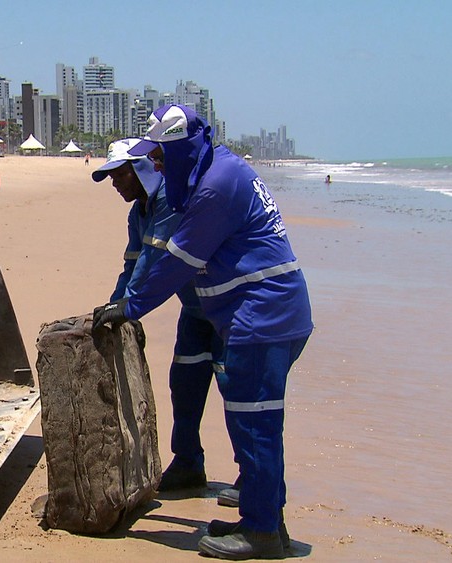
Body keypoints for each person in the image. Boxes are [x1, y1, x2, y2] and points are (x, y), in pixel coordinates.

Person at [93, 105, 312, 560]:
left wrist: (130, 308)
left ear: (180, 150)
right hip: (257, 316)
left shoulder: (214, 187)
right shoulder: (216, 170)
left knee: (255, 428)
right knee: (253, 423)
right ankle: (268, 520)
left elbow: (178, 261)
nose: (156, 164)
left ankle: (263, 533)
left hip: (262, 316)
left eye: (160, 156)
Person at [92, 138, 226, 493]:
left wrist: (128, 308)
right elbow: (132, 265)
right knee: (185, 384)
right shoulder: (138, 213)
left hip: (226, 308)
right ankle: (187, 463)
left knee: (237, 393)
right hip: (196, 310)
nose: (115, 184)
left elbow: (153, 266)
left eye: (119, 175)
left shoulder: (169, 200)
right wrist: (113, 306)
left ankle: (251, 480)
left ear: (141, 170)